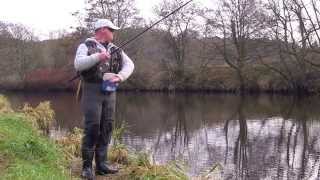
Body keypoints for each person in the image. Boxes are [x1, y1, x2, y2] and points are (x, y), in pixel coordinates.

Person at [74, 19, 134, 179]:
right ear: (102, 30)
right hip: (92, 90)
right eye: (111, 30)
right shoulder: (86, 46)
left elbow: (130, 65)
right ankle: (87, 168)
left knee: (107, 127)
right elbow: (78, 64)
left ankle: (102, 165)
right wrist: (97, 57)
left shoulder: (116, 49)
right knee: (92, 128)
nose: (113, 33)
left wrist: (120, 76)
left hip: (110, 90)